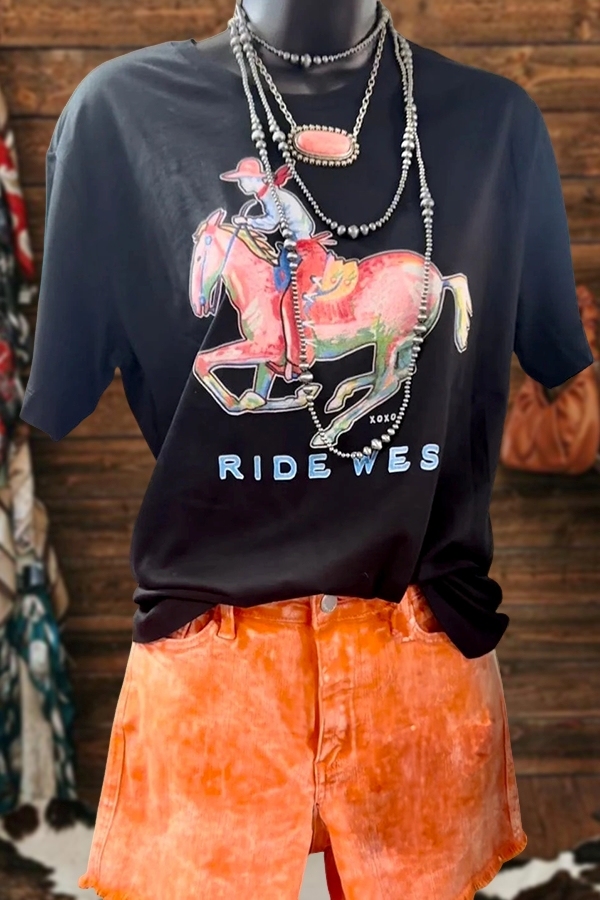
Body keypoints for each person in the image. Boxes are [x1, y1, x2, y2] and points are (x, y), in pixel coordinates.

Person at [20, 0, 593, 897]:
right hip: (214, 671)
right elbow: (62, 389)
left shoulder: (498, 122)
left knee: (296, 294)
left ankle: (298, 360)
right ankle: (280, 361)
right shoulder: (117, 118)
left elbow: (546, 353)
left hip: (420, 655)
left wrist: (282, 230)